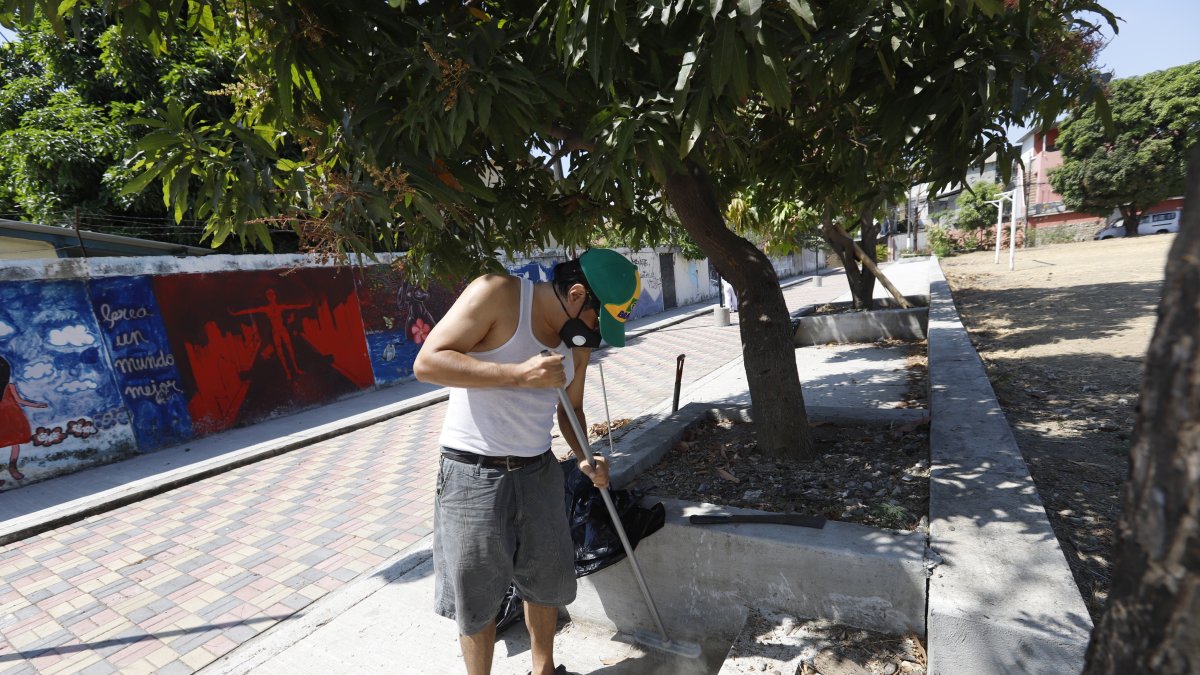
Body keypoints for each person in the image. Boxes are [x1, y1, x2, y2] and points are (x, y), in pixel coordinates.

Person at [413, 248, 641, 675]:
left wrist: (586, 459)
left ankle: (544, 669)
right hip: (472, 475)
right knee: (478, 600)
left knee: (546, 581)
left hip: (539, 471)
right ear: (576, 296)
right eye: (597, 320)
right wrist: (519, 374)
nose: (594, 334)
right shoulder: (496, 294)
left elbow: (570, 409)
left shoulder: (577, 344)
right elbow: (428, 363)